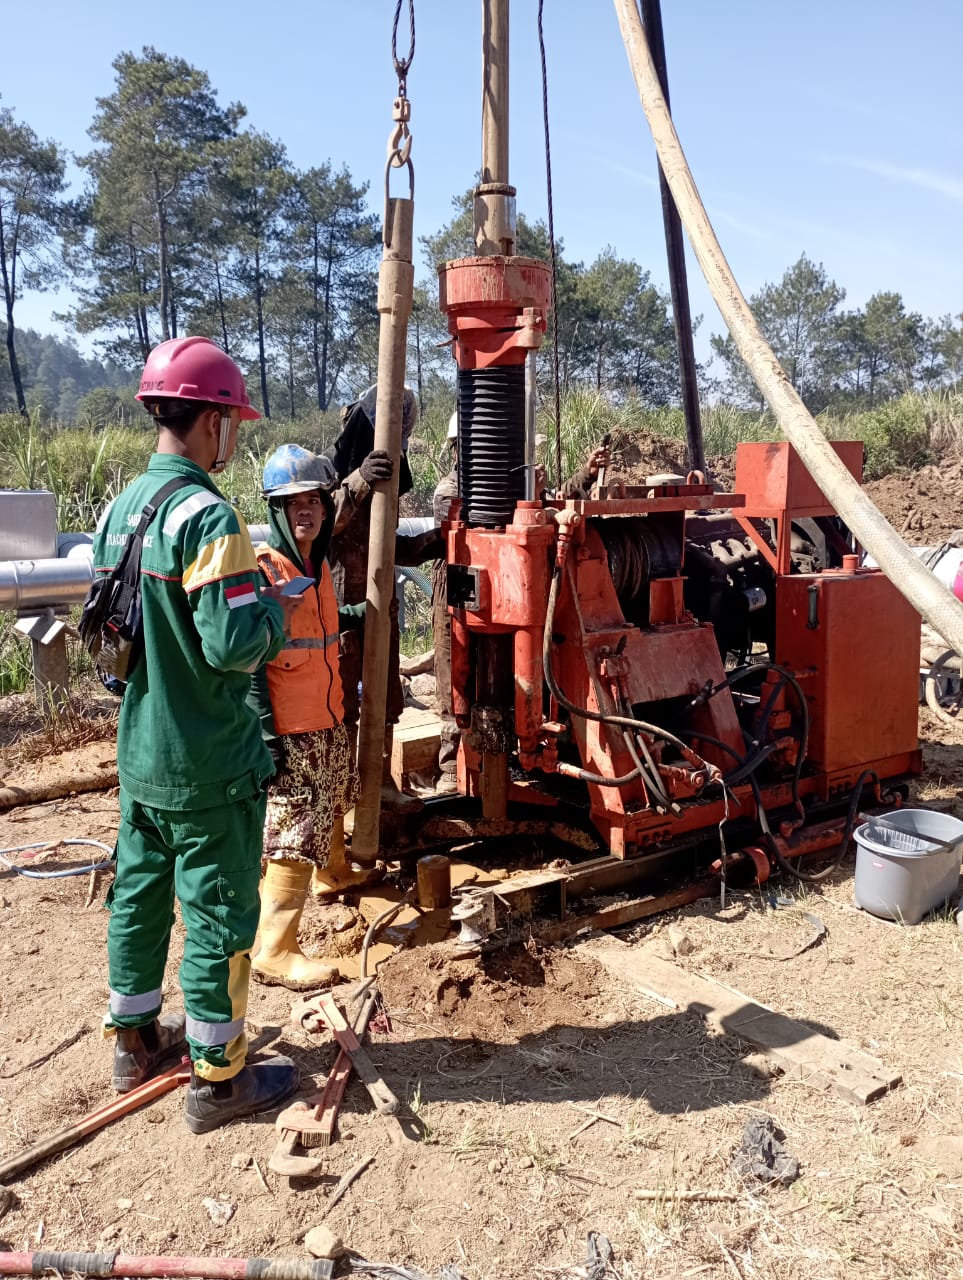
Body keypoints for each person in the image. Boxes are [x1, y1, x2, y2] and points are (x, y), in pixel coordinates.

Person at [92, 336, 300, 1136]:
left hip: (143, 755)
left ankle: (134, 1040)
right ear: (211, 420)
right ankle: (218, 1079)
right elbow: (231, 644)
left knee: (139, 897)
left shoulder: (123, 508)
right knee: (217, 912)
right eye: (232, 422)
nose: (232, 438)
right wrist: (274, 606)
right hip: (208, 759)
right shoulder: (206, 516)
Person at [247, 445, 361, 989]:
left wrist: (363, 614)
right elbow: (249, 662)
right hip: (292, 728)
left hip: (327, 715)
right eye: (293, 504)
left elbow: (322, 631)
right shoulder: (266, 571)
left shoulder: (318, 569)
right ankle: (275, 948)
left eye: (314, 500)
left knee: (332, 796)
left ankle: (332, 875)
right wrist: (265, 735)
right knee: (293, 830)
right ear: (276, 511)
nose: (306, 511)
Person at [324, 384, 442, 813]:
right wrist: (357, 482)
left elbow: (388, 544)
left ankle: (380, 785)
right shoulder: (332, 478)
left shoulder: (384, 489)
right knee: (344, 708)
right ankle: (344, 796)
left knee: (386, 702)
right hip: (343, 618)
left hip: (381, 611)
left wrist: (435, 541)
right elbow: (326, 523)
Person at [431, 412, 461, 793]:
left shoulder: (508, 482)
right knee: (452, 667)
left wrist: (584, 476)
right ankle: (451, 763)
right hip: (454, 578)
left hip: (499, 577)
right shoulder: (447, 489)